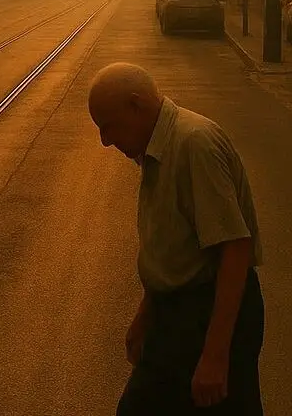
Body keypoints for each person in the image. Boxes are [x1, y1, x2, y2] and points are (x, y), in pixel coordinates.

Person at [88, 62, 264, 415]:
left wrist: (215, 356)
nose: (105, 141)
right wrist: (146, 314)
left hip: (207, 311)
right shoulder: (157, 149)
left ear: (136, 106)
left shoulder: (193, 144)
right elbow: (173, 249)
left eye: (108, 126)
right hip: (176, 313)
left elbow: (235, 248)